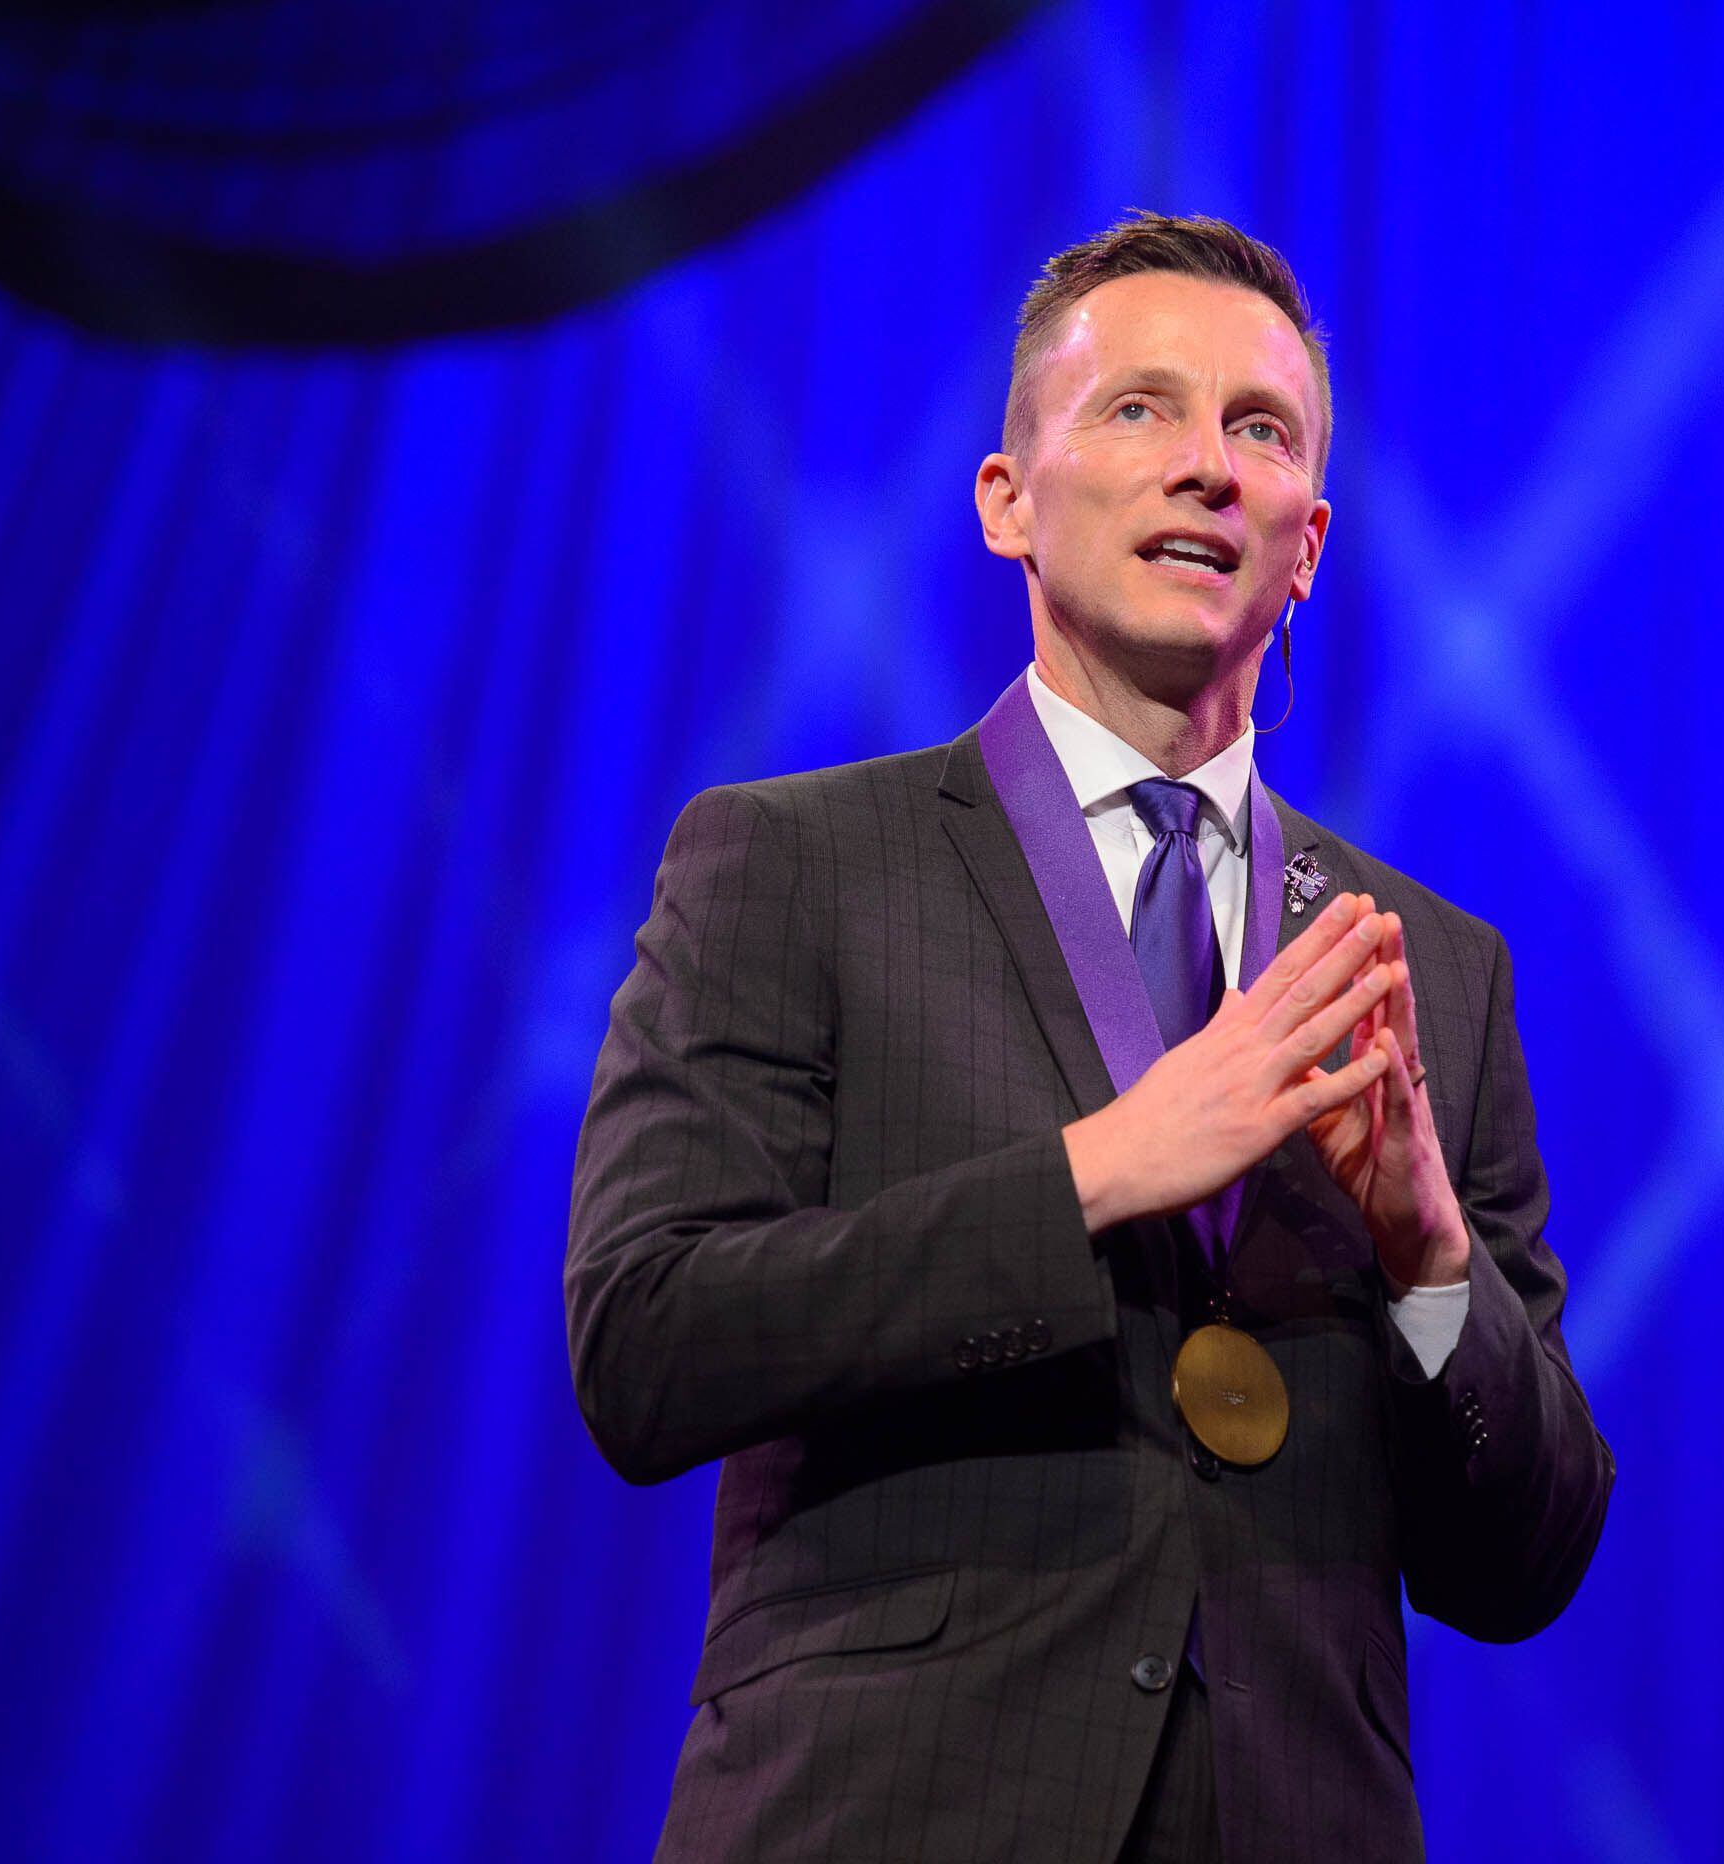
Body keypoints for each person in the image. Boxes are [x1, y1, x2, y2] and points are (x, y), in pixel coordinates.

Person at [567, 211, 1613, 1864]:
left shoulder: (1430, 973)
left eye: (1257, 430)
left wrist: (1427, 1261)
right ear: (1008, 502)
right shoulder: (795, 865)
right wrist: (1094, 1176)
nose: (1206, 465)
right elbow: (647, 1343)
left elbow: (1528, 1560)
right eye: (1139, 409)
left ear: (1311, 542)